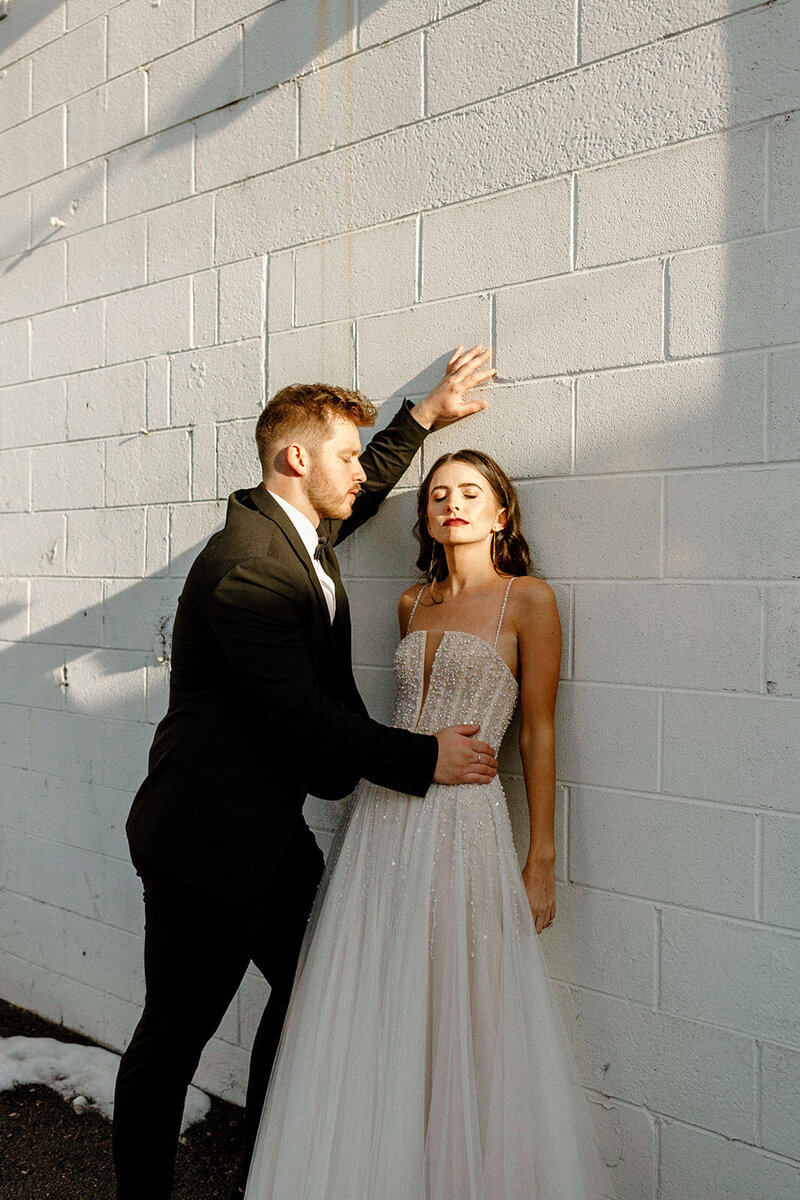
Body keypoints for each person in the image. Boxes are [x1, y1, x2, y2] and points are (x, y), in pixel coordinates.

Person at [112, 345, 498, 1200]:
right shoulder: (248, 565)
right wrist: (424, 755)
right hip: (205, 846)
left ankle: (269, 1166)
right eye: (347, 457)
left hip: (268, 840)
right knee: (172, 1039)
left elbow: (345, 510)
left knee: (310, 995)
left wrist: (424, 419)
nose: (360, 474)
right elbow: (295, 716)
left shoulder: (291, 531)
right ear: (297, 459)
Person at [242, 450, 618, 1200]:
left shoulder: (529, 601)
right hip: (383, 818)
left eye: (470, 493)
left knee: (461, 995)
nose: (452, 504)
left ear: (501, 513)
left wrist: (541, 857)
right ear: (426, 517)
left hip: (466, 825)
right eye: (439, 494)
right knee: (377, 990)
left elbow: (537, 733)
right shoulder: (412, 604)